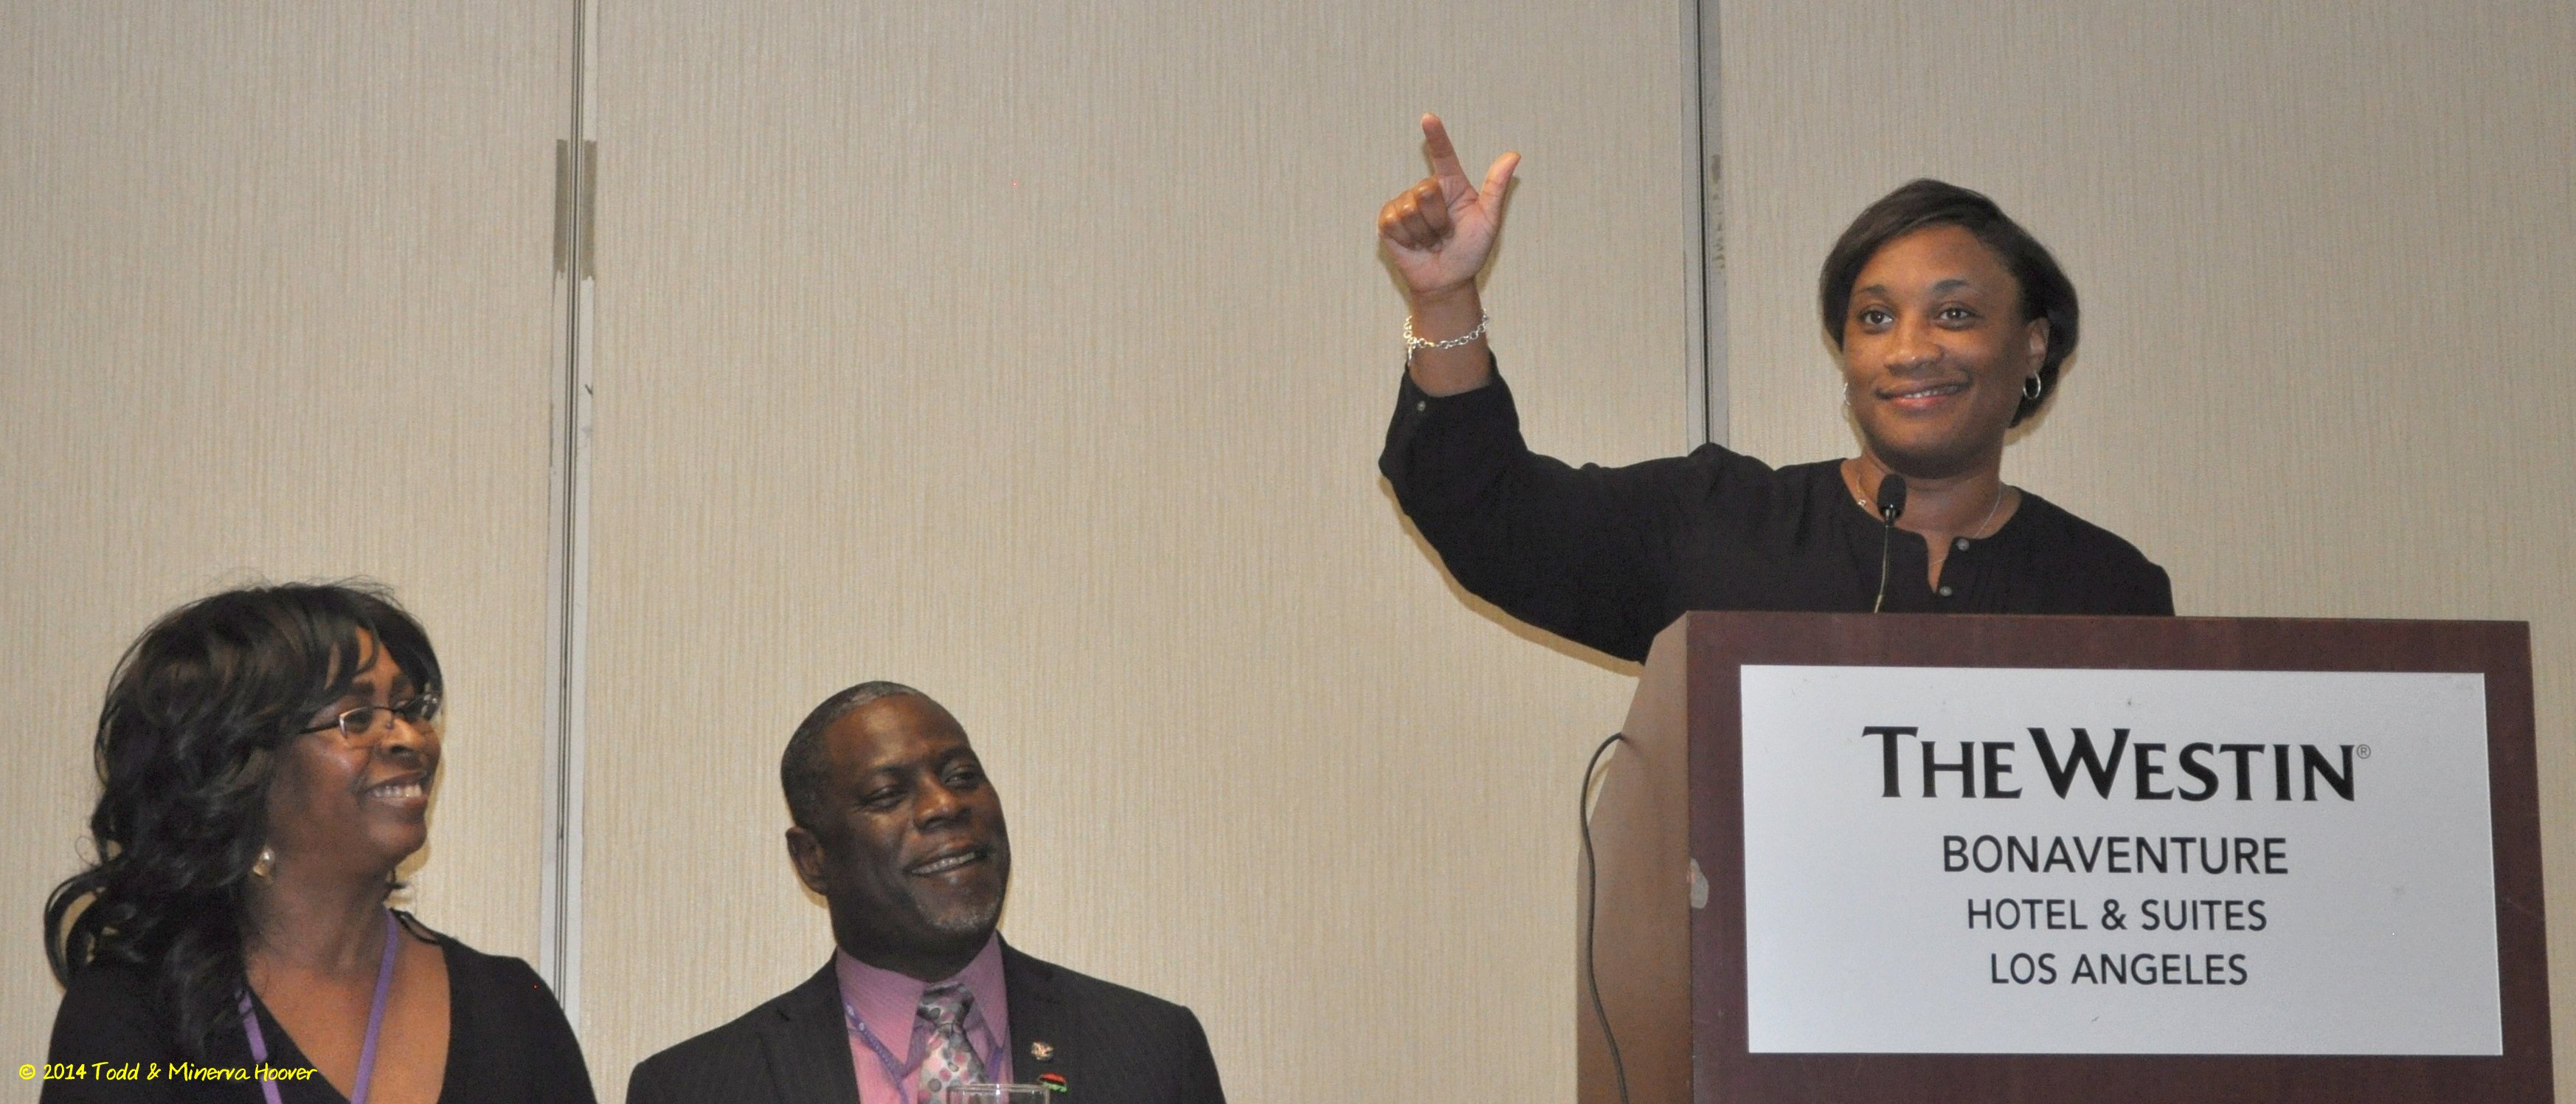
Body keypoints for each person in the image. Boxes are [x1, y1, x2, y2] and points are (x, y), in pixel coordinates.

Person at [1375, 114, 2172, 662]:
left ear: (2033, 342)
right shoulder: (1717, 525)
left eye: (1955, 314)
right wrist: (1445, 298)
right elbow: (1487, 513)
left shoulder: (2108, 589)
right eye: (1875, 318)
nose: (1909, 350)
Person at [41, 583, 596, 1104]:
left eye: (409, 710)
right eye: (358, 717)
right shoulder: (134, 1011)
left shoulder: (512, 1009)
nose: (408, 738)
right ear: (241, 768)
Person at [626, 682, 1225, 1104]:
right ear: (813, 860)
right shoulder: (696, 1087)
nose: (944, 805)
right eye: (888, 795)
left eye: (962, 776)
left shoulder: (1152, 1051)